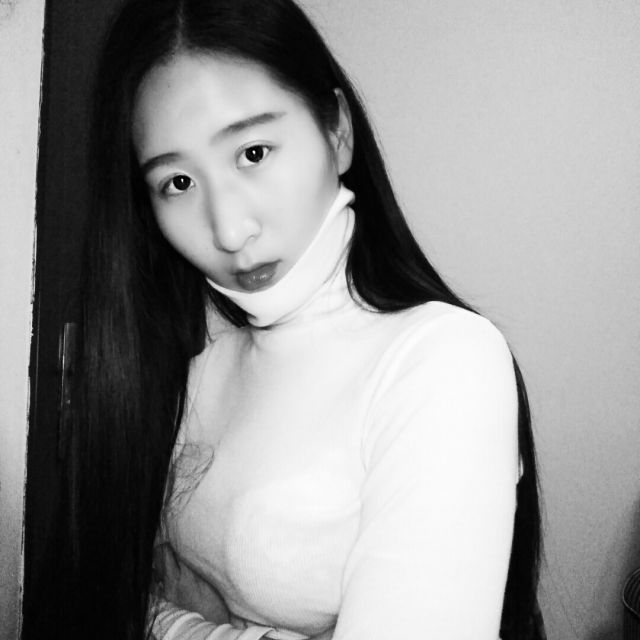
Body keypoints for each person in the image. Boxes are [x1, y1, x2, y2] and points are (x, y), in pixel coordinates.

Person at [49, 0, 543, 638]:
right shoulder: (194, 360)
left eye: (253, 152)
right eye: (178, 183)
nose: (229, 230)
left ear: (337, 131)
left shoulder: (444, 359)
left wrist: (179, 624)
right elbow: (112, 595)